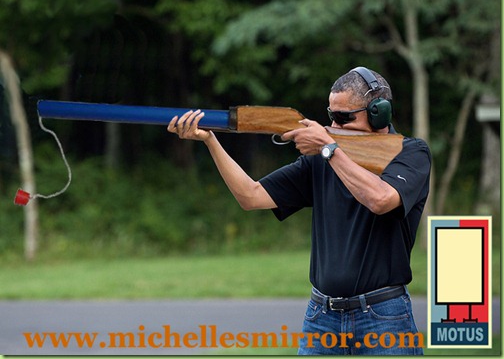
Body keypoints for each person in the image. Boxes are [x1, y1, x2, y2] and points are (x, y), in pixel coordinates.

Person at [167, 67, 431, 355]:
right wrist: (210, 141)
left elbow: (380, 199)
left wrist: (329, 149)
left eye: (343, 117)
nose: (333, 124)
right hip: (322, 316)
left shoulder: (410, 153)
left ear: (379, 113)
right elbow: (250, 196)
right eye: (331, 114)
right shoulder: (322, 159)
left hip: (384, 316)